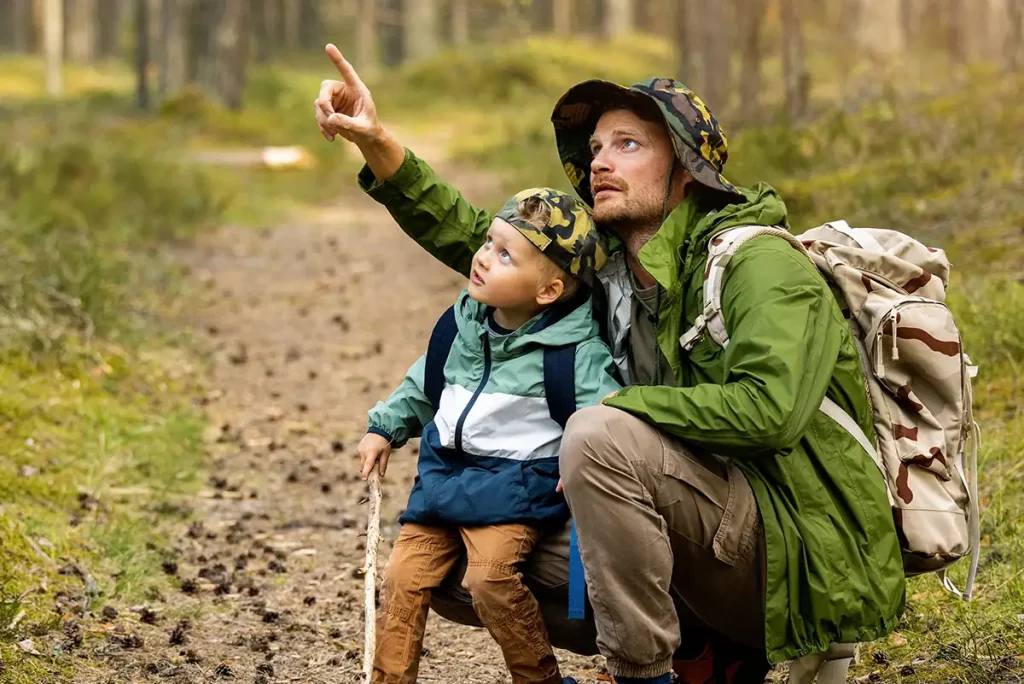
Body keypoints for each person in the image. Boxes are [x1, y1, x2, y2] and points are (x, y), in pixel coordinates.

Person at [317, 42, 905, 684]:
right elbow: (480, 241)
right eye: (595, 148)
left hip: (791, 547)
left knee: (597, 434)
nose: (600, 161)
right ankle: (704, 652)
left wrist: (617, 408)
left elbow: (769, 412)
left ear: (685, 166)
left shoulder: (760, 266)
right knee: (461, 554)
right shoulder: (614, 269)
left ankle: (646, 673)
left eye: (628, 144)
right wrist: (375, 142)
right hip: (699, 524)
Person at [356, 185, 620, 684]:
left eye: (504, 255)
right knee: (403, 578)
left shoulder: (574, 352)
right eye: (487, 243)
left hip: (514, 491)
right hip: (443, 481)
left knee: (491, 579)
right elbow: (425, 381)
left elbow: (601, 414)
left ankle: (537, 676)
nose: (482, 259)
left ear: (547, 291)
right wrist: (384, 427)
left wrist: (586, 465)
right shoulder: (463, 325)